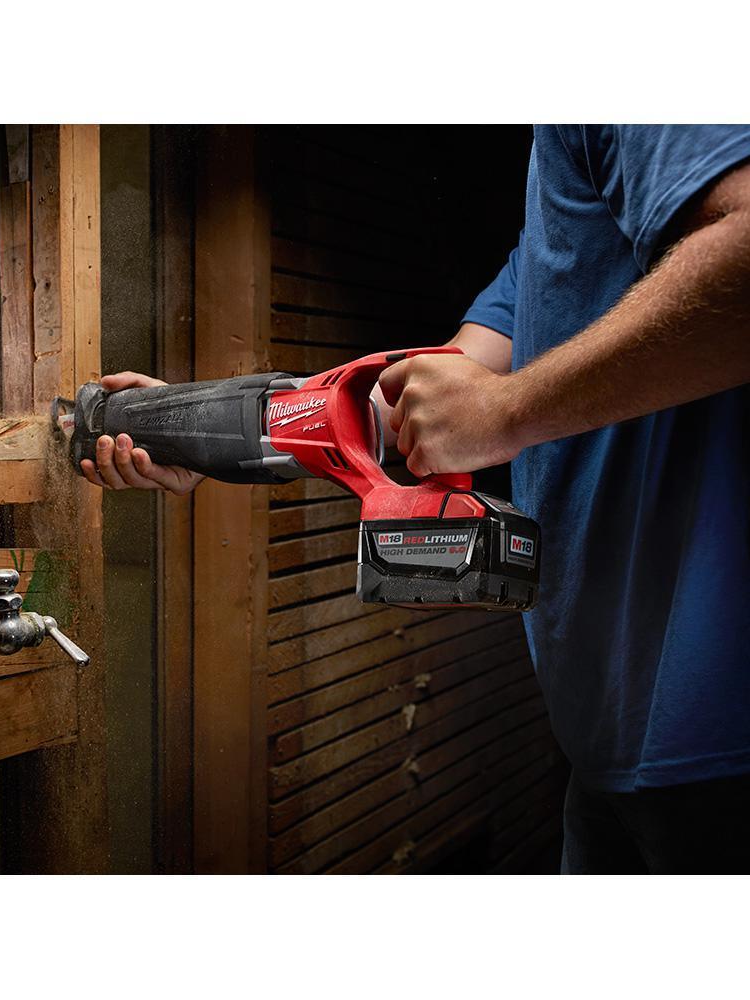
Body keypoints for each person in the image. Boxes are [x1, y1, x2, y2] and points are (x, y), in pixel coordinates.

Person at [80, 126, 750, 874]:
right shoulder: (550, 230)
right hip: (613, 743)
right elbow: (388, 406)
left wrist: (505, 411)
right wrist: (189, 428)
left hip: (717, 736)